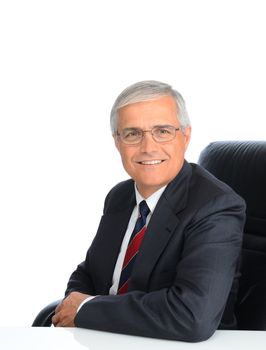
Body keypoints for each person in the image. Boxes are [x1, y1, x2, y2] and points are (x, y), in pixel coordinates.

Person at [52, 80, 246, 342]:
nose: (148, 147)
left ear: (185, 136)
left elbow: (192, 317)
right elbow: (88, 274)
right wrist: (75, 305)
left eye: (162, 131)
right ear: (117, 142)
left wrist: (86, 309)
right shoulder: (120, 196)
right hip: (108, 339)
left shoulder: (215, 207)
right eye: (133, 134)